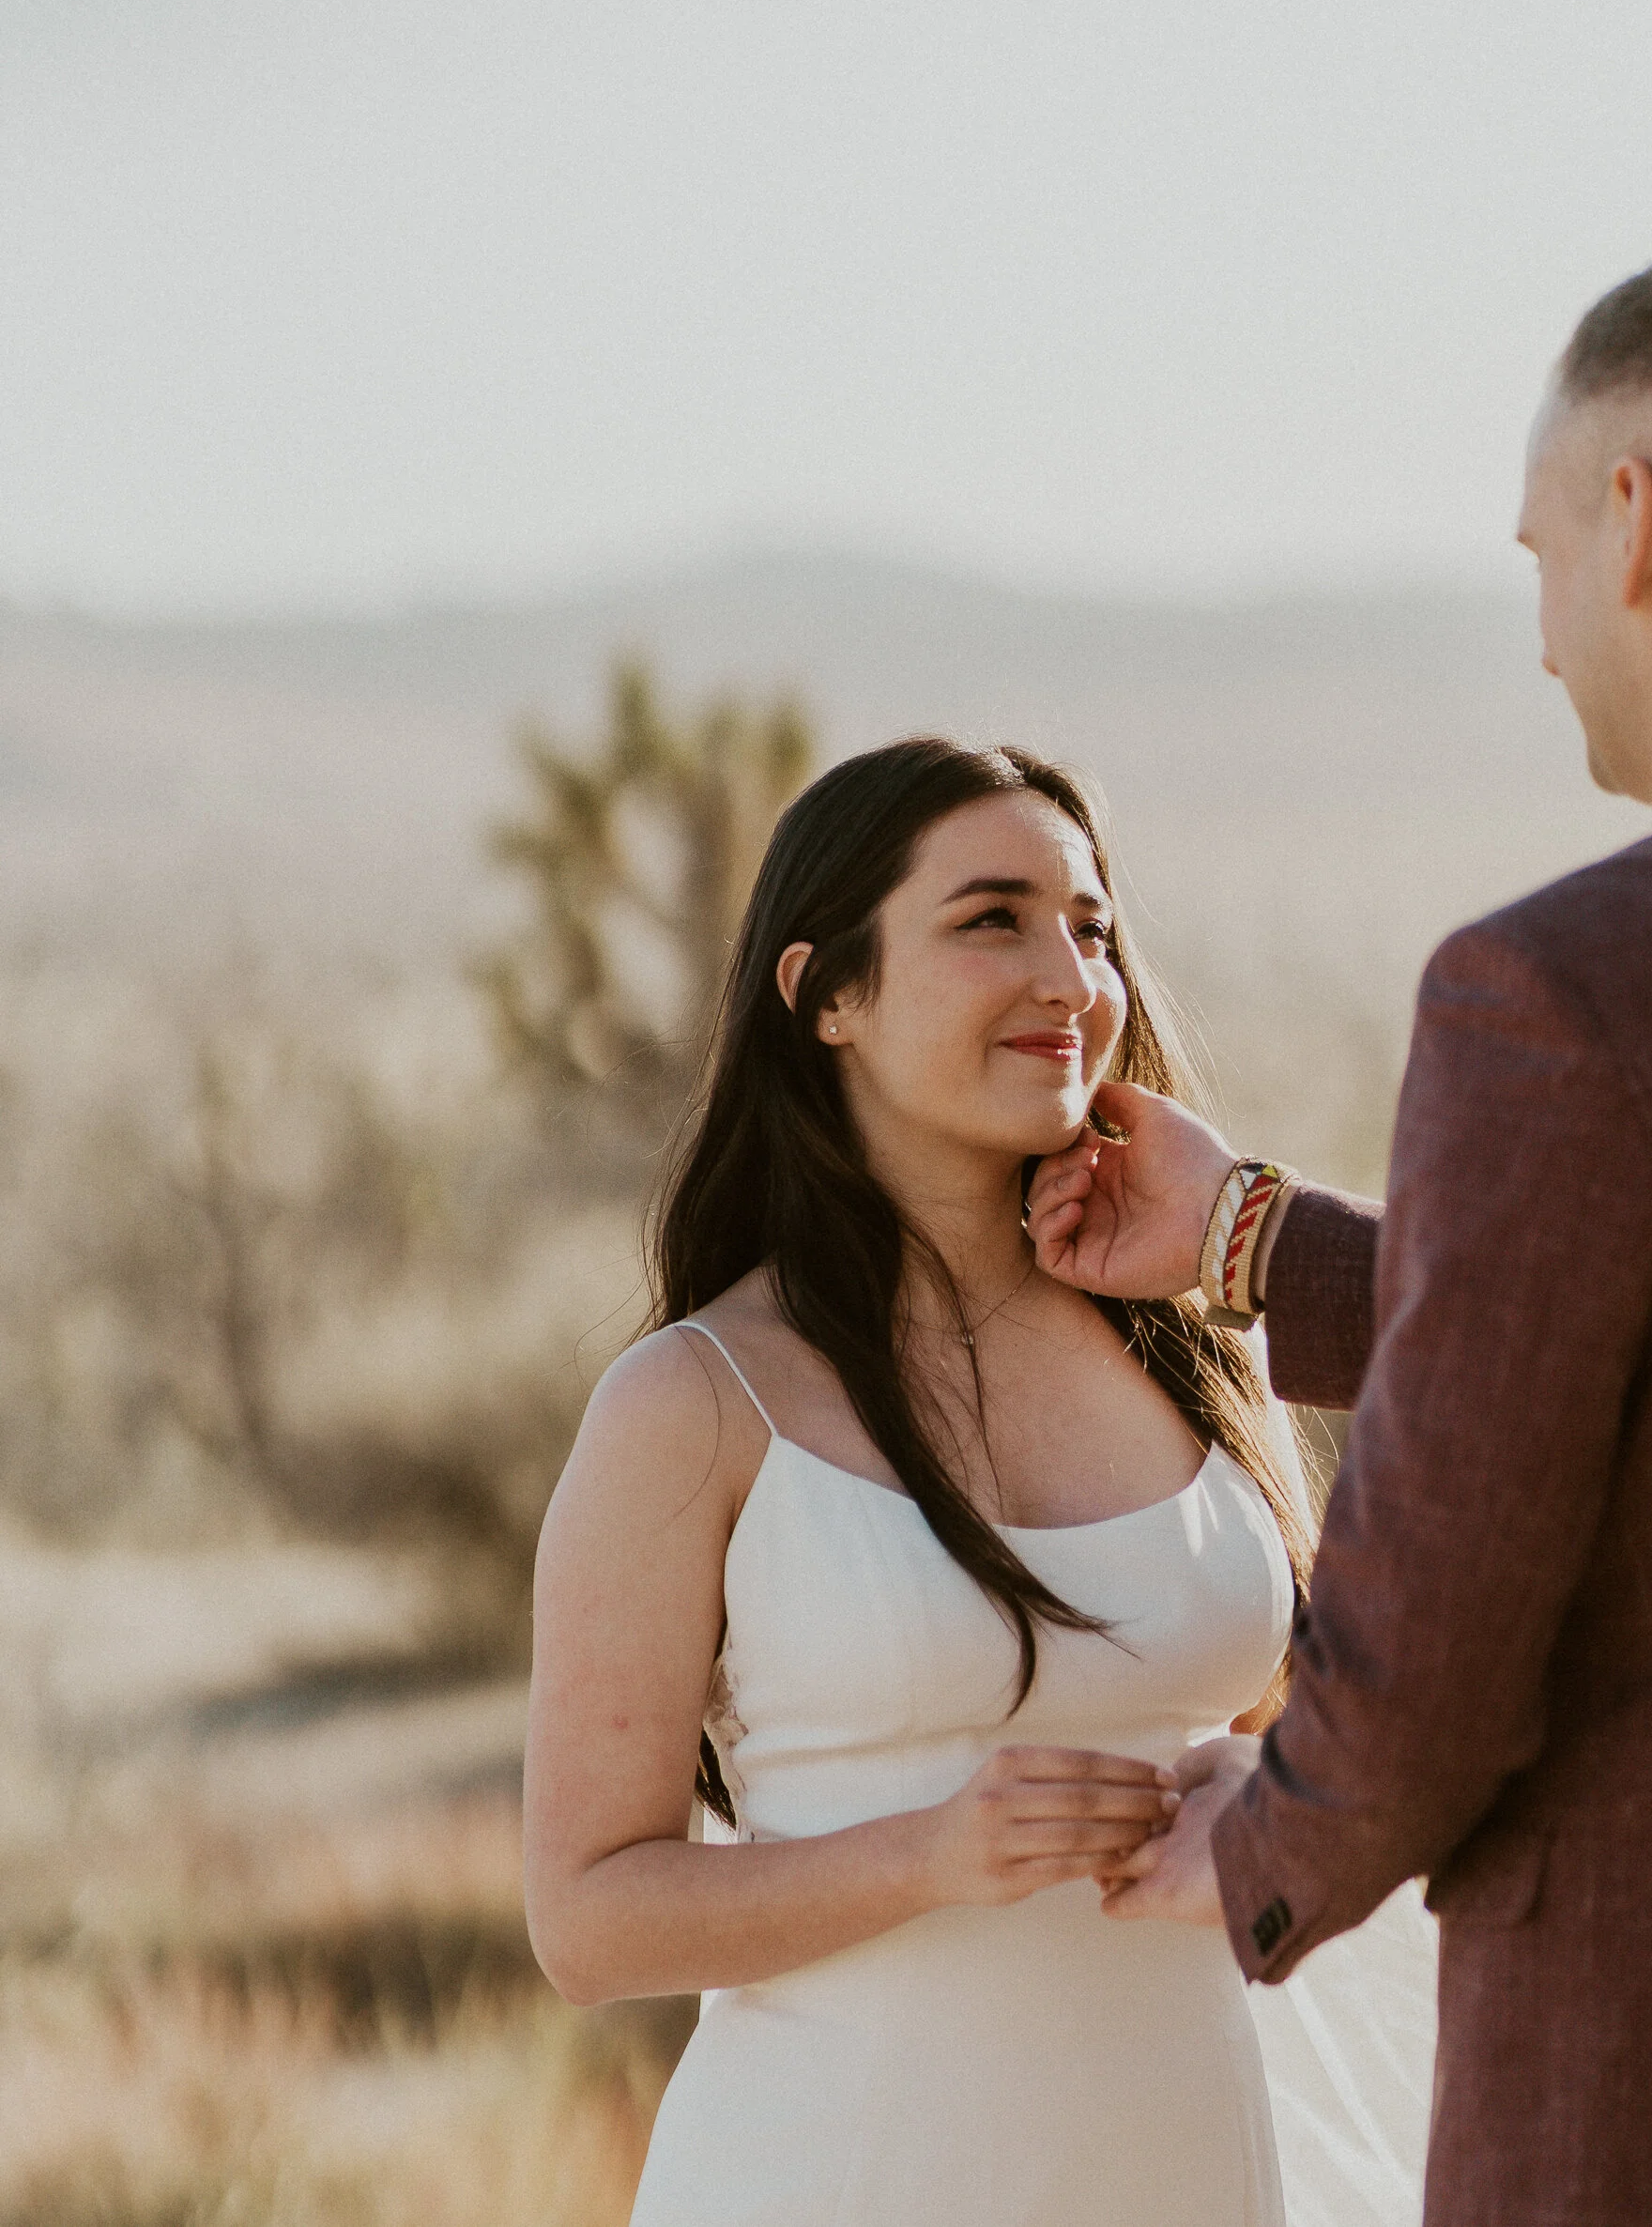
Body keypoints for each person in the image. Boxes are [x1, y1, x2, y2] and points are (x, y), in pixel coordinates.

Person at [1030, 244, 1652, 2225]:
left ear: (1635, 518)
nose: (1546, 631)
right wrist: (1249, 1237)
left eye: (1540, 551)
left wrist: (1277, 1821)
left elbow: (1441, 1626)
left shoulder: (1560, 987)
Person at [522, 736, 1433, 2227]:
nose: (1070, 976)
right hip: (843, 2174)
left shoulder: (1198, 1354)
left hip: (1191, 2165)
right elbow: (586, 1917)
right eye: (990, 917)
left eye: (1091, 924)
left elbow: (1306, 1723)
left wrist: (1278, 1781)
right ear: (830, 997)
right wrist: (930, 1851)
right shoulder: (695, 1403)